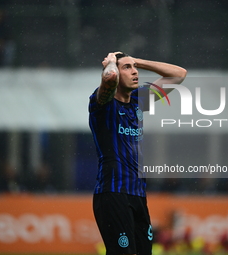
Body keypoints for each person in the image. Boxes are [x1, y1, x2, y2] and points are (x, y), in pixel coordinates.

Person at [89, 51, 186, 255]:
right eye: (127, 68)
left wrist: (137, 61)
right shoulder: (102, 104)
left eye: (135, 68)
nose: (135, 72)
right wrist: (111, 62)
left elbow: (179, 74)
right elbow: (109, 79)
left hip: (138, 195)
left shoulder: (138, 101)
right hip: (113, 193)